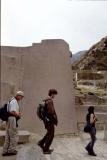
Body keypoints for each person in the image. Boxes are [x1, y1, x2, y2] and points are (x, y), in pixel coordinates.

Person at [2, 91, 24, 156]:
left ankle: (5, 150)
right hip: (12, 119)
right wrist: (18, 115)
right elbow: (12, 111)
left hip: (9, 119)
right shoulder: (14, 101)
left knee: (8, 135)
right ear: (18, 95)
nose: (21, 98)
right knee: (13, 135)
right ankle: (11, 150)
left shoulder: (11, 100)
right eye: (21, 97)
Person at [38, 89, 58, 154]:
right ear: (52, 94)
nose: (55, 96)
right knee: (51, 134)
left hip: (46, 120)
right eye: (54, 94)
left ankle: (41, 143)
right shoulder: (49, 101)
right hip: (49, 120)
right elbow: (51, 112)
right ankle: (46, 149)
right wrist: (54, 118)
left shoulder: (46, 100)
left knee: (49, 132)